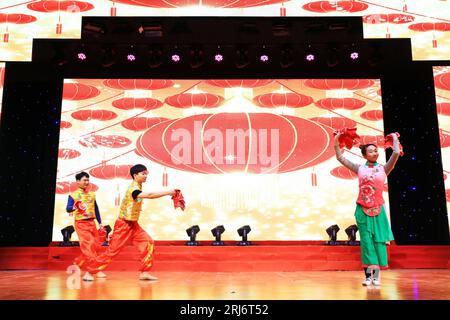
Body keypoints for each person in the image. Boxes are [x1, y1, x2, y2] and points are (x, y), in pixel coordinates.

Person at [84, 164, 178, 281]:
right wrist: (168, 192)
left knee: (148, 242)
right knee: (112, 252)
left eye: (146, 174)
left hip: (133, 225)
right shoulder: (133, 189)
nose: (145, 176)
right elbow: (149, 195)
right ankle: (90, 271)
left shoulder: (138, 186)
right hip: (123, 225)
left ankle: (144, 272)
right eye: (143, 174)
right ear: (135, 175)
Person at [334, 132, 400, 286]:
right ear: (364, 155)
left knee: (378, 242)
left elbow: (396, 153)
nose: (374, 153)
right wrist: (337, 141)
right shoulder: (359, 168)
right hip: (362, 209)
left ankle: (375, 277)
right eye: (370, 151)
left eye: (376, 150)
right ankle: (368, 277)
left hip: (378, 210)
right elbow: (340, 157)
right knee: (366, 243)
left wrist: (395, 139)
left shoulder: (384, 168)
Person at [66, 172, 106, 280]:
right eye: (84, 180)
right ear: (78, 181)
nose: (87, 182)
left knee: (96, 246)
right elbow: (68, 208)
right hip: (81, 223)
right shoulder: (73, 195)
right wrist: (75, 206)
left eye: (88, 180)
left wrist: (100, 222)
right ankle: (92, 271)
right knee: (88, 246)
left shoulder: (92, 194)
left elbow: (96, 208)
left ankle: (85, 266)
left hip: (91, 223)